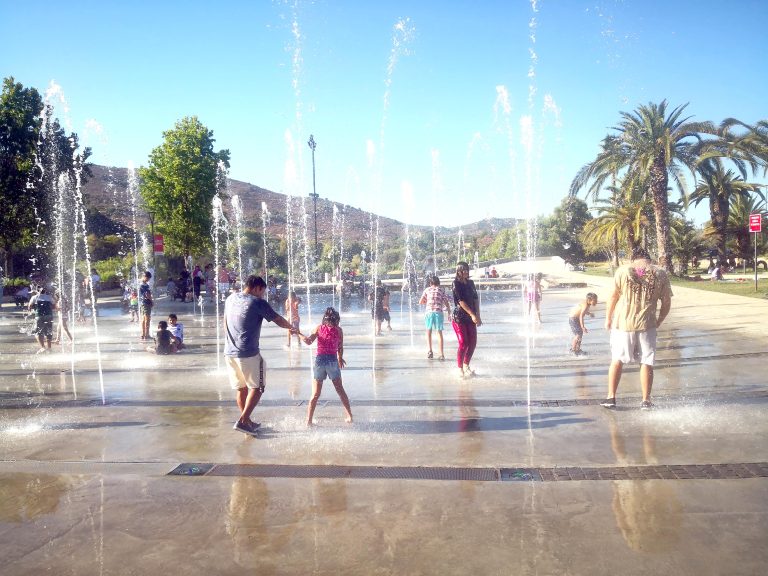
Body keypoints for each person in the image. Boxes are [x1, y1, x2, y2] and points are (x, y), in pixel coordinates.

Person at [224, 275, 298, 436]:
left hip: (229, 352)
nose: (263, 295)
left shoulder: (231, 299)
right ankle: (243, 421)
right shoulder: (257, 302)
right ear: (257, 288)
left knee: (241, 388)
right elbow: (277, 319)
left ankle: (248, 422)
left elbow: (225, 322)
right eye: (262, 291)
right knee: (257, 388)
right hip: (248, 353)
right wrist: (292, 328)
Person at [601, 247, 673, 410]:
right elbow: (666, 302)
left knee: (617, 360)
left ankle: (611, 397)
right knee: (646, 361)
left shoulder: (622, 271)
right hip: (647, 324)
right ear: (649, 258)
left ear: (633, 258)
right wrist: (659, 321)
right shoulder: (660, 273)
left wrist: (607, 318)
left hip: (622, 324)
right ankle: (646, 400)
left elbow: (613, 296)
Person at [303, 307, 353, 426]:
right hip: (332, 362)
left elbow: (309, 341)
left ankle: (309, 421)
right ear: (336, 320)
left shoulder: (319, 328)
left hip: (320, 362)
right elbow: (340, 347)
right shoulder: (339, 330)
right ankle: (350, 416)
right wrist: (340, 358)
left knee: (315, 394)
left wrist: (301, 336)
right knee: (340, 390)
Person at [451, 261, 482, 378]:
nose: (466, 272)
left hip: (471, 317)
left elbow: (475, 299)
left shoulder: (471, 283)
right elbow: (460, 301)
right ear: (458, 271)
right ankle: (460, 368)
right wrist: (472, 314)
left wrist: (477, 315)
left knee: (473, 343)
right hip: (459, 317)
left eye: (467, 269)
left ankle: (466, 365)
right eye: (463, 270)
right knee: (464, 342)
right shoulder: (455, 283)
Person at [419, 275, 452, 360]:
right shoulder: (441, 290)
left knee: (428, 332)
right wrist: (449, 313)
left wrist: (427, 301)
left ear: (430, 283)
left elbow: (420, 301)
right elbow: (446, 302)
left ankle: (430, 351)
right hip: (438, 312)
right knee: (439, 333)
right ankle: (441, 354)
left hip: (429, 312)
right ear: (439, 283)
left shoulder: (427, 290)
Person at [28, 286, 55, 353]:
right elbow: (54, 306)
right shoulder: (49, 297)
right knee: (49, 332)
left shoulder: (34, 297)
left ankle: (43, 347)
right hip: (49, 316)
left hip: (39, 316)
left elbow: (29, 307)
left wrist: (32, 312)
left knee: (37, 332)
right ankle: (49, 348)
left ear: (37, 291)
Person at [139, 271, 153, 340]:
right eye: (147, 278)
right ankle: (146, 334)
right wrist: (151, 301)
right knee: (147, 319)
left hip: (143, 303)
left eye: (149, 278)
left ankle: (143, 334)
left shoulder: (143, 284)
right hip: (146, 303)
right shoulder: (143, 285)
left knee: (144, 319)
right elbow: (147, 295)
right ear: (144, 276)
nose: (148, 280)